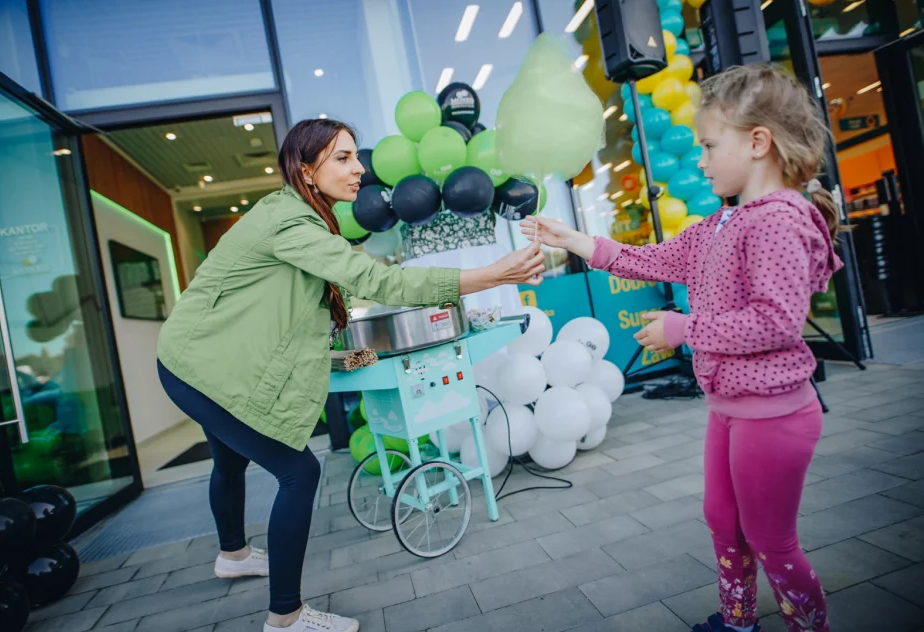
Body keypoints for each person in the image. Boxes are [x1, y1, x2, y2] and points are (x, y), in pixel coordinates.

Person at [157, 118, 544, 632]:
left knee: (228, 460)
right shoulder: (290, 222)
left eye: (355, 156)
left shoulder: (302, 222)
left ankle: (232, 554)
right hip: (202, 368)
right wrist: (492, 274)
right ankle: (286, 617)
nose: (359, 167)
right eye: (342, 158)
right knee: (299, 474)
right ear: (305, 169)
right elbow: (372, 278)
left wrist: (362, 359)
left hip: (196, 361)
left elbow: (311, 324)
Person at [522, 64, 840, 632]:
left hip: (774, 414)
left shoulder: (778, 221)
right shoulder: (723, 222)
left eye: (710, 145)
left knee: (772, 539)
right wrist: (574, 239)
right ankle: (739, 622)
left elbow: (778, 322)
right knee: (723, 520)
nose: (700, 158)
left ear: (759, 142)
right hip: (730, 408)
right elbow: (653, 259)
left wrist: (683, 329)